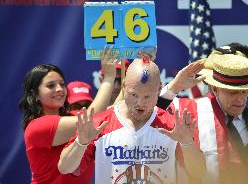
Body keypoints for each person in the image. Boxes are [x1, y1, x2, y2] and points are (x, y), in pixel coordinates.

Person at [58, 58, 206, 184]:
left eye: (147, 96)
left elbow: (200, 174)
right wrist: (81, 142)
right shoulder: (100, 123)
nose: (140, 103)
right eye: (134, 94)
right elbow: (64, 168)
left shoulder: (171, 125)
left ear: (159, 89)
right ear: (124, 87)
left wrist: (187, 143)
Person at [161, 48, 248, 184]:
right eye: (232, 92)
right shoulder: (189, 112)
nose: (240, 99)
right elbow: (152, 116)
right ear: (214, 89)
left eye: (244, 92)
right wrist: (174, 87)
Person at [18, 46, 119, 184]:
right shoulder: (37, 127)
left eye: (61, 84)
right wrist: (109, 77)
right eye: (51, 86)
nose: (59, 89)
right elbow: (95, 118)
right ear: (35, 94)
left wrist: (135, 75)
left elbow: (114, 111)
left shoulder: (71, 117)